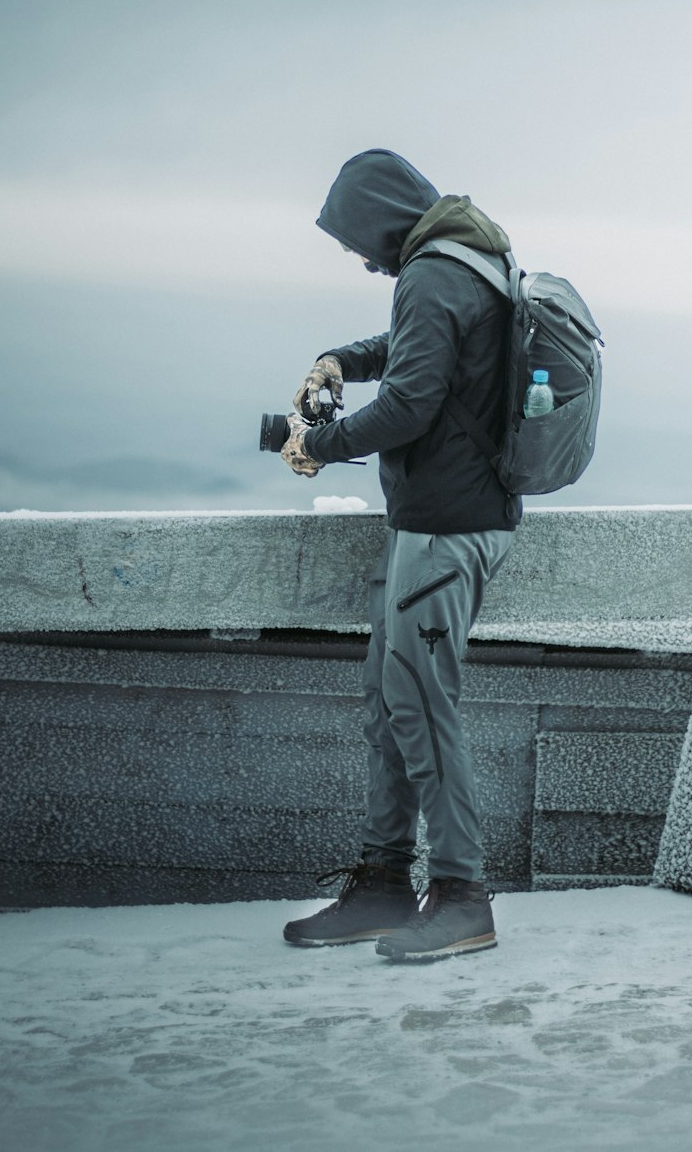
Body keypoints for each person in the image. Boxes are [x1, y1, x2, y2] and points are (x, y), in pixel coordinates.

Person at [280, 148, 520, 962]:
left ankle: (462, 895)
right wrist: (347, 359)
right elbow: (422, 352)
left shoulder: (433, 271)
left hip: (447, 532)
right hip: (432, 524)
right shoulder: (466, 258)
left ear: (382, 216)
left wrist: (322, 442)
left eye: (355, 238)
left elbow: (414, 402)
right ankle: (384, 884)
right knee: (391, 706)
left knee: (420, 704)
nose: (358, 255)